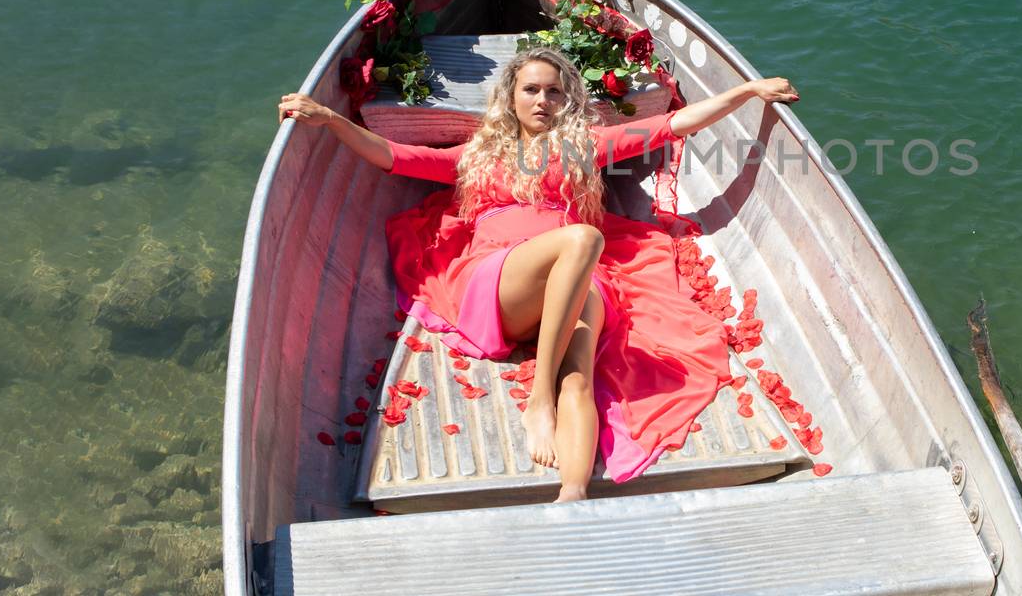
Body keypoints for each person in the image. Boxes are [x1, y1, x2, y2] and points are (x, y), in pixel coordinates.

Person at [278, 47, 798, 502]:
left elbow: (673, 126)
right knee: (584, 238)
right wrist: (330, 119)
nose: (542, 100)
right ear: (512, 96)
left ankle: (573, 493)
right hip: (502, 283)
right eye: (531, 89)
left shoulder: (584, 149)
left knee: (584, 373)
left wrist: (747, 91)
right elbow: (391, 155)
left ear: (566, 101)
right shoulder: (474, 156)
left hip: (575, 284)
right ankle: (540, 399)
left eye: (553, 92)